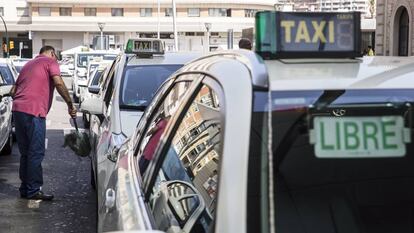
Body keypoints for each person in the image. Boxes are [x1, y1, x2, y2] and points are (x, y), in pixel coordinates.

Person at [10, 46, 77, 201]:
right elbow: (59, 83)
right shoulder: (50, 62)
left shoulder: (28, 65)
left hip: (18, 110)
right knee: (36, 152)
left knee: (26, 153)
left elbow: (13, 91)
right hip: (34, 111)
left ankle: (25, 188)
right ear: (52, 54)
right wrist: (69, 104)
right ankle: (33, 190)